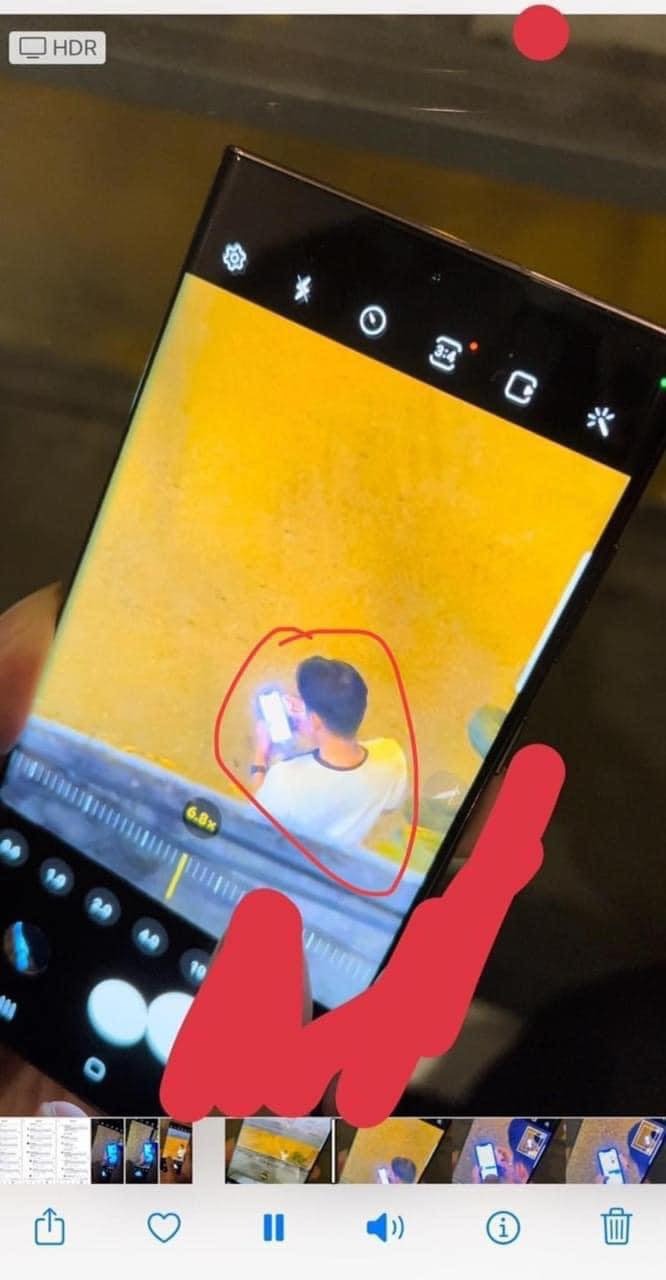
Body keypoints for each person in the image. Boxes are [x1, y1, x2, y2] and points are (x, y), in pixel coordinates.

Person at [251, 655, 407, 848]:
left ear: (316, 720)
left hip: (295, 857)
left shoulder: (285, 779)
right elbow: (390, 805)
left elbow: (258, 819)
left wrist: (261, 754)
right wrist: (313, 722)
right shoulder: (392, 755)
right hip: (342, 858)